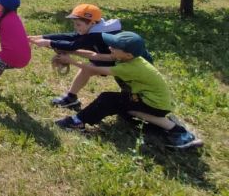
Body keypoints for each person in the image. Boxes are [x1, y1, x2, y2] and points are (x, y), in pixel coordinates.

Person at [54, 32, 203, 149]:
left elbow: (94, 68)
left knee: (108, 99)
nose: (110, 47)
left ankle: (77, 121)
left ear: (128, 54)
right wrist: (72, 51)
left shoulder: (131, 67)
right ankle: (172, 128)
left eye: (114, 46)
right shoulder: (128, 58)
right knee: (125, 109)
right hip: (150, 100)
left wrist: (71, 61)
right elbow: (95, 55)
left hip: (153, 104)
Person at [29, 4, 123, 109]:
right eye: (74, 24)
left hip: (125, 66)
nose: (75, 27)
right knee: (86, 70)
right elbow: (72, 36)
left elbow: (73, 45)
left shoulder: (97, 34)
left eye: (78, 25)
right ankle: (71, 98)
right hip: (108, 60)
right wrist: (41, 37)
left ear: (92, 23)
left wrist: (49, 42)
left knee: (131, 92)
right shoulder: (96, 27)